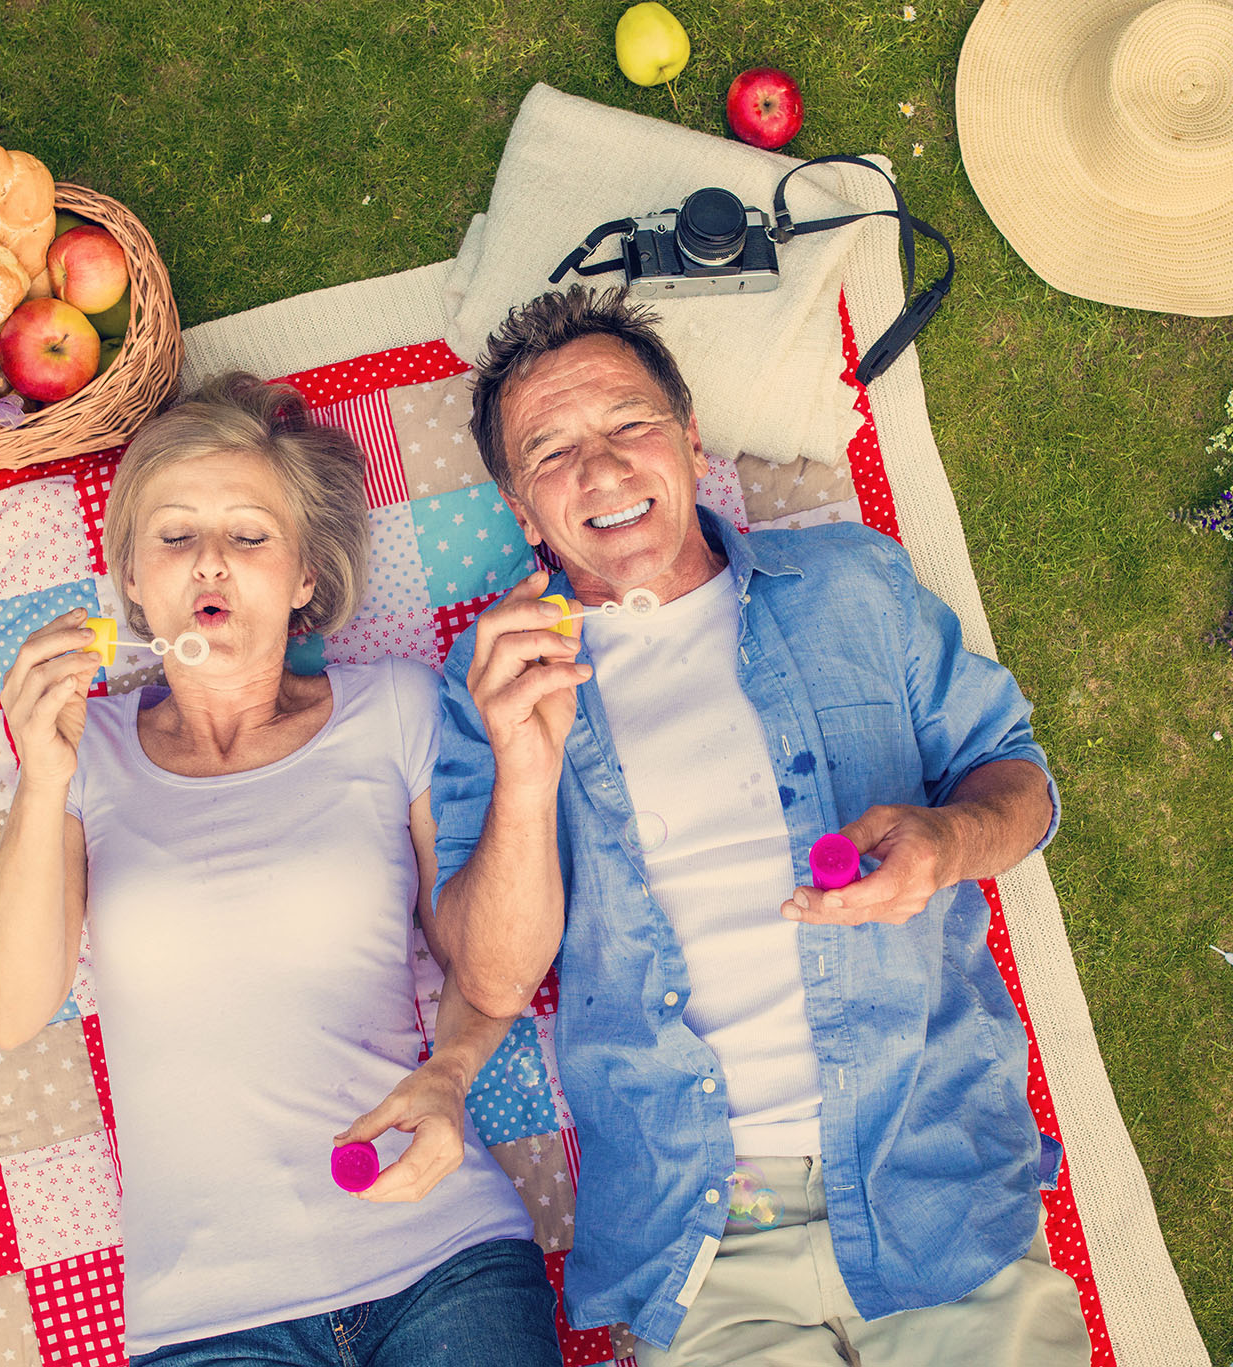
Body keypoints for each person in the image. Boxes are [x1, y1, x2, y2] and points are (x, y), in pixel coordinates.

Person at [427, 287, 1092, 1366]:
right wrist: (520, 765)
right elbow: (493, 975)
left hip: (925, 1174)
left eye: (628, 425)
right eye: (550, 451)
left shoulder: (850, 580)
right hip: (703, 1240)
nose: (598, 471)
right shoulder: (486, 679)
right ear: (518, 504)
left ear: (689, 441)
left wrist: (945, 844)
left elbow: (1019, 780)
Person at [0, 374, 560, 1367]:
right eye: (173, 535)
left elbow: (490, 961)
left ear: (302, 580)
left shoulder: (399, 710)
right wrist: (42, 778)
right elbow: (8, 1012)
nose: (209, 560)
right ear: (136, 581)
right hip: (205, 1315)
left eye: (248, 535)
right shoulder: (83, 745)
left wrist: (450, 1077)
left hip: (439, 1254)